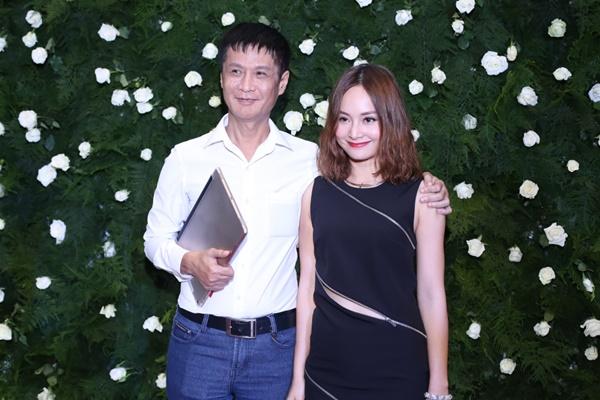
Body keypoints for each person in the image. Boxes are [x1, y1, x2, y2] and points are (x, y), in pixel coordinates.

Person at [144, 23, 451, 400]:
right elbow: (154, 240)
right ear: (221, 78)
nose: (246, 85)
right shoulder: (185, 158)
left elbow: (374, 181)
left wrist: (430, 186)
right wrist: (189, 261)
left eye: (261, 74)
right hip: (199, 340)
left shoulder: (311, 161)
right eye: (236, 71)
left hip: (277, 348)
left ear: (282, 82)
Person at [288, 64, 450, 400]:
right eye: (344, 119)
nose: (354, 131)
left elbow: (432, 293)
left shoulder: (423, 195)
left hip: (397, 367)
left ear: (390, 120)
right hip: (326, 370)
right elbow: (307, 291)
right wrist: (298, 381)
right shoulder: (315, 194)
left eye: (368, 119)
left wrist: (439, 384)